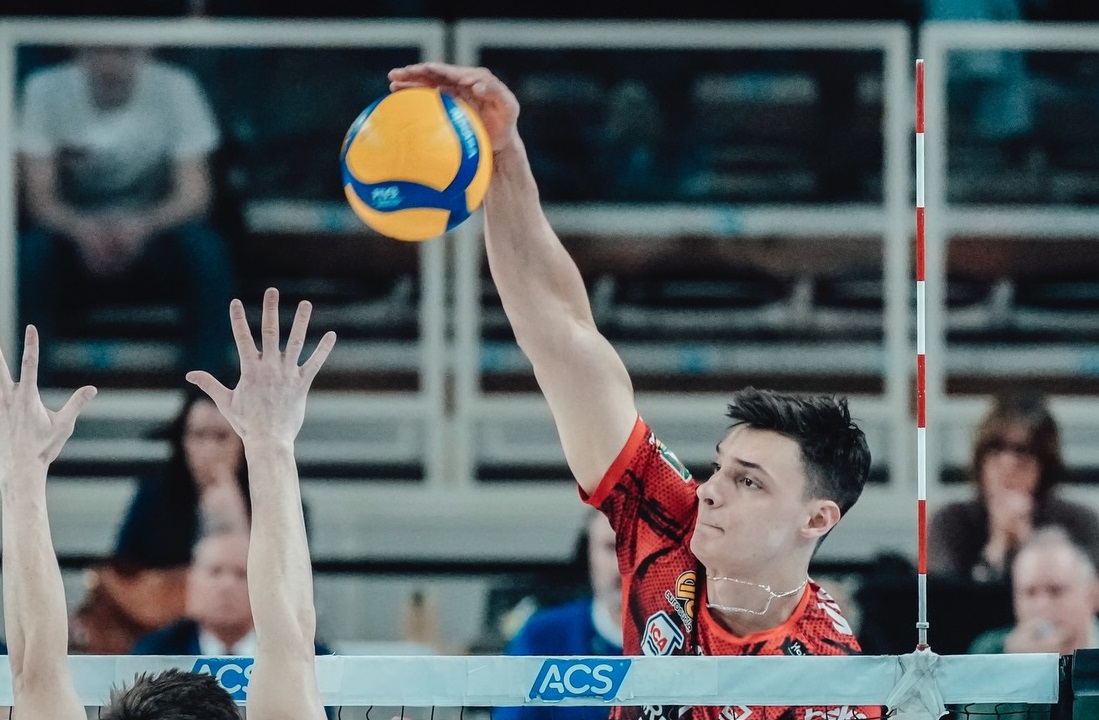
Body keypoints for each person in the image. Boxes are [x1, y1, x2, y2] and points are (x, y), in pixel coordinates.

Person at [388, 62, 875, 720]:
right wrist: (504, 155)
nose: (711, 490)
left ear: (816, 519)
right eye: (721, 468)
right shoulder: (671, 524)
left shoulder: (825, 685)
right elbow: (561, 335)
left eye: (749, 482)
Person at [0, 286, 335, 718]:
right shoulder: (157, 496)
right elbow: (292, 646)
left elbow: (32, 673)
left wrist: (22, 471)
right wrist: (271, 442)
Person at [17, 43, 236, 383]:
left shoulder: (177, 87)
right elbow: (39, 199)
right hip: (71, 238)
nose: (110, 62)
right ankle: (24, 394)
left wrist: (141, 227)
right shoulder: (45, 89)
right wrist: (83, 230)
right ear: (79, 50)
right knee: (29, 256)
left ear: (145, 50)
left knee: (207, 253)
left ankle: (203, 394)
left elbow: (195, 194)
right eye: (100, 50)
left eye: (123, 51)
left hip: (154, 235)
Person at [928, 390, 1099, 583]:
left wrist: (1030, 543)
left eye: (1023, 452)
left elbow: (1087, 592)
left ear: (1045, 464)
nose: (1008, 464)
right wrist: (996, 549)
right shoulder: (951, 522)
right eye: (996, 449)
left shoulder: (1078, 523)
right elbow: (945, 596)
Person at [496, 510, 623, 720]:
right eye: (611, 547)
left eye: (640, 548)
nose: (624, 566)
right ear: (588, 554)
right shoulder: (540, 637)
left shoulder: (683, 643)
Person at [969, 526, 1099, 655]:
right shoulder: (989, 652)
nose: (1041, 605)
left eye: (1056, 591)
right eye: (1030, 593)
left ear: (1093, 594)